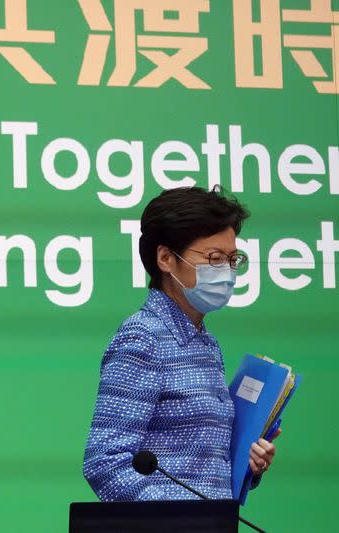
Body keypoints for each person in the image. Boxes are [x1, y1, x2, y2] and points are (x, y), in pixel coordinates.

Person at [83, 186, 279, 501]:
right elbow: (105, 462)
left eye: (233, 259)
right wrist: (183, 518)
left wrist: (247, 464)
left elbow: (203, 470)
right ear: (165, 258)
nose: (227, 271)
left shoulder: (207, 344)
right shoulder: (143, 337)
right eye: (214, 258)